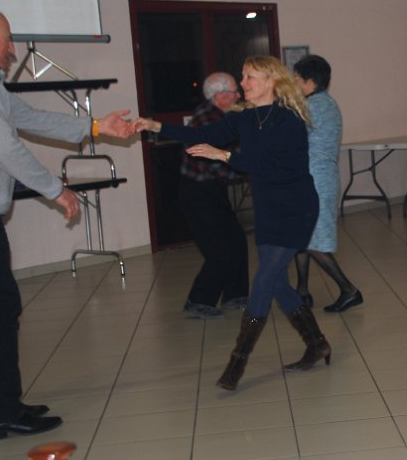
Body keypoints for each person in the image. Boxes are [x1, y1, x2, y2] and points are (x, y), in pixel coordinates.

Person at [0, 7, 135, 439]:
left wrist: (95, 126)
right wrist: (54, 188)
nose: (13, 49)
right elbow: (4, 146)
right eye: (7, 40)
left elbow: (28, 117)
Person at [134, 55, 329, 390]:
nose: (243, 83)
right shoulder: (243, 118)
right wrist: (156, 126)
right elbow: (201, 133)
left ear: (271, 81)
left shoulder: (290, 121)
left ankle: (237, 363)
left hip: (295, 209)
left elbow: (271, 166)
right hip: (268, 209)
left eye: (250, 76)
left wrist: (224, 155)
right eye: (243, 76)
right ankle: (317, 343)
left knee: (263, 280)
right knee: (278, 284)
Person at [291, 55, 363, 313]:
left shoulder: (312, 106)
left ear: (309, 81)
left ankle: (348, 290)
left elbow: (291, 141)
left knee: (312, 241)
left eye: (296, 79)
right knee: (302, 235)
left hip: (315, 180)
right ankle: (302, 290)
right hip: (319, 177)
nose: (294, 83)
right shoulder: (326, 102)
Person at [178, 72, 249, 319]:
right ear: (220, 96)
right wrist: (249, 168)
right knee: (220, 250)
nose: (238, 95)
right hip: (198, 193)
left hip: (211, 189)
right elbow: (215, 163)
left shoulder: (217, 115)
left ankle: (235, 295)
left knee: (236, 240)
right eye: (234, 92)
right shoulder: (207, 120)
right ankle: (198, 301)